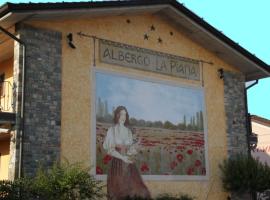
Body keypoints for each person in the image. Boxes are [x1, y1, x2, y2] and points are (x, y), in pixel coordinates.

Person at [103, 106, 151, 200]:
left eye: (125, 114)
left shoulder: (128, 131)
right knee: (119, 192)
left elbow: (129, 149)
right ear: (117, 115)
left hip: (129, 166)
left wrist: (134, 149)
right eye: (121, 114)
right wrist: (123, 157)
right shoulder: (112, 130)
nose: (123, 117)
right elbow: (110, 150)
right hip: (117, 165)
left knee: (138, 191)